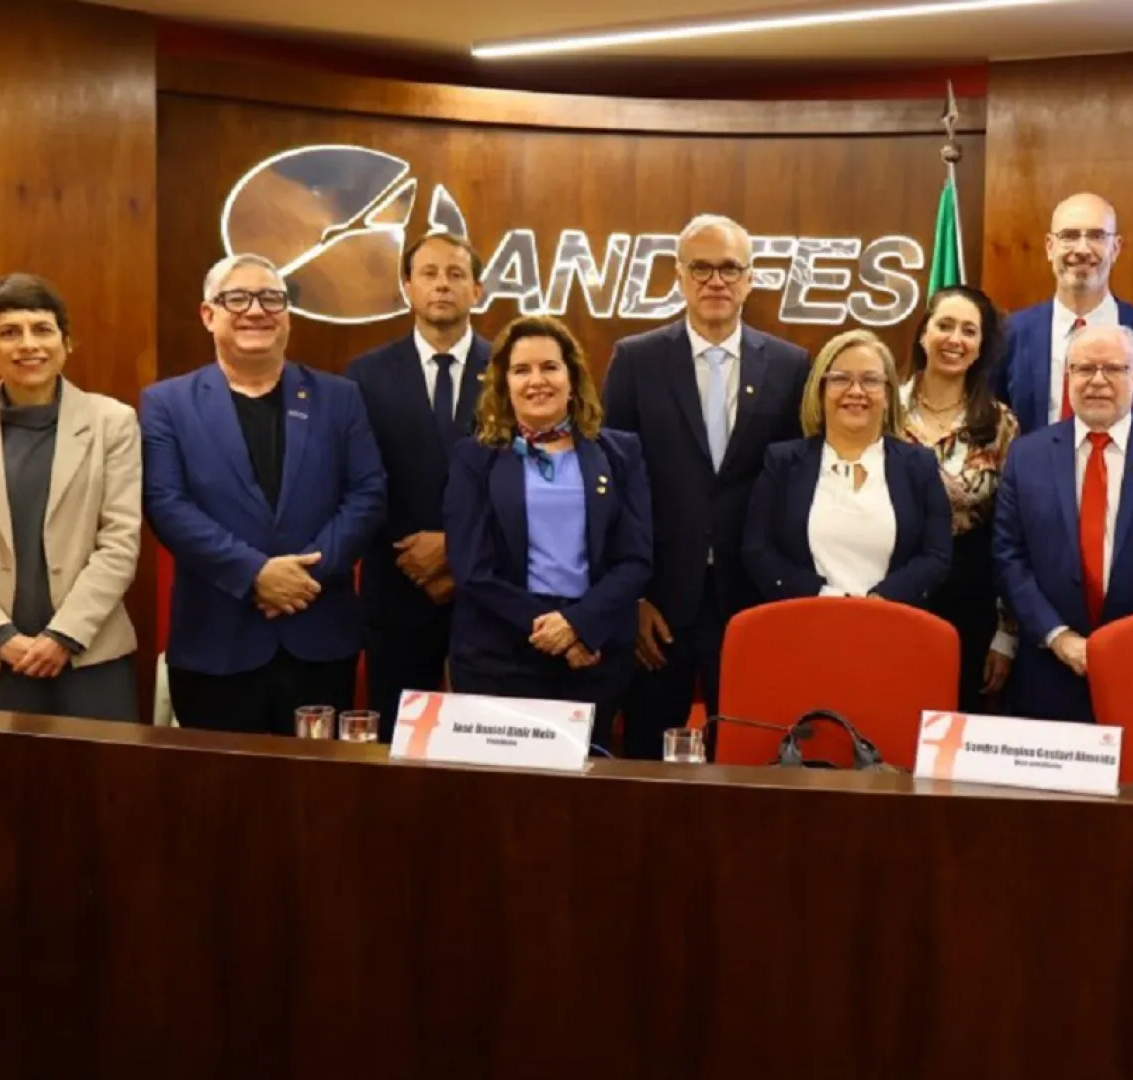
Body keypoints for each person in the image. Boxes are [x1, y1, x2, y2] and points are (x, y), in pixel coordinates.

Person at [142, 254, 386, 735]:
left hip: (318, 635)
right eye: (237, 298)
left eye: (272, 298)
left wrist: (302, 578)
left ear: (288, 315)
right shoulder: (166, 403)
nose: (257, 310)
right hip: (216, 642)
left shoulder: (339, 397)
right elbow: (167, 504)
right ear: (208, 315)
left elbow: (367, 493)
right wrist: (255, 574)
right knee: (218, 799)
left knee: (318, 798)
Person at [601, 213, 810, 759]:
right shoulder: (636, 359)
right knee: (648, 750)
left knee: (747, 751)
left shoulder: (791, 366)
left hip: (750, 597)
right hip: (659, 601)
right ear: (678, 275)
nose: (715, 281)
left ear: (749, 279)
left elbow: (795, 490)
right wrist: (633, 595)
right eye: (701, 268)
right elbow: (614, 482)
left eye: (729, 268)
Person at [0, 273, 142, 721]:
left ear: (66, 341)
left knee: (101, 789)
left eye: (42, 329)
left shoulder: (112, 422)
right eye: (9, 333)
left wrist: (64, 636)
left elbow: (120, 541)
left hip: (90, 657)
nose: (28, 345)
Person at [993, 323, 1133, 724]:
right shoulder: (1027, 455)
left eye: (1112, 369)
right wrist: (1057, 636)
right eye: (1084, 369)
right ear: (1068, 378)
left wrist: (1131, 641)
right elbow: (1009, 558)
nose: (1097, 381)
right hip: (1049, 672)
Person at [445, 316, 651, 747]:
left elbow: (634, 560)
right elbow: (472, 569)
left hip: (591, 656)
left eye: (550, 367)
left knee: (578, 806)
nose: (537, 381)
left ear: (572, 378)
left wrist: (578, 625)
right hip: (499, 658)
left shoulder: (620, 453)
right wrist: (555, 632)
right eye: (522, 370)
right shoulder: (474, 458)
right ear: (503, 384)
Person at [347, 231, 491, 740]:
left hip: (488, 590)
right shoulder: (365, 375)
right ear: (407, 286)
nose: (442, 285)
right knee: (397, 750)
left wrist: (458, 549)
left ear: (477, 289)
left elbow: (522, 481)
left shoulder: (510, 372)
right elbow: (358, 477)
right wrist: (412, 551)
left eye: (456, 274)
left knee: (484, 747)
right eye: (429, 274)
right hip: (397, 584)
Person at [745, 329, 951, 607]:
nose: (856, 391)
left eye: (870, 380)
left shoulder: (919, 466)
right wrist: (826, 600)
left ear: (889, 394)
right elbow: (757, 550)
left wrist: (879, 601)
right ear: (820, 390)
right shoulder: (782, 462)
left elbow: (936, 555)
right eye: (841, 379)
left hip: (893, 627)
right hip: (803, 625)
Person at [900, 286, 1020, 710]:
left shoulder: (1001, 424)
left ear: (981, 347)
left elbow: (1012, 536)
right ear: (922, 333)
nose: (955, 339)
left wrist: (1006, 635)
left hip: (970, 592)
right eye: (944, 325)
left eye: (969, 331)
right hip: (892, 586)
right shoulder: (882, 411)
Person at [994, 192, 1133, 441]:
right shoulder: (1007, 335)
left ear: (1116, 248)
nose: (1082, 249)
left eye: (1097, 236)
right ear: (1049, 247)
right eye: (1069, 236)